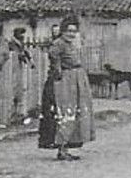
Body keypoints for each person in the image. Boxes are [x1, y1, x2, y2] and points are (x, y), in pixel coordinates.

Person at [40, 16, 94, 162]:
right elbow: (53, 56)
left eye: (74, 31)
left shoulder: (70, 44)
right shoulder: (59, 44)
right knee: (65, 113)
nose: (71, 34)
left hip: (75, 81)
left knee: (74, 114)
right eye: (69, 31)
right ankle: (61, 149)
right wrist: (58, 73)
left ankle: (65, 149)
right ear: (63, 31)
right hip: (65, 82)